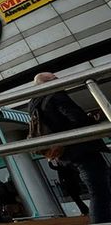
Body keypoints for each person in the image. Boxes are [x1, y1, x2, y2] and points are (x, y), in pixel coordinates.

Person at [29, 72, 111, 223]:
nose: (60, 80)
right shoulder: (55, 95)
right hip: (82, 148)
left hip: (64, 153)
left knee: (99, 190)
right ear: (49, 82)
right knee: (100, 191)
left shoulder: (34, 103)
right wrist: (91, 121)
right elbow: (77, 119)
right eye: (55, 78)